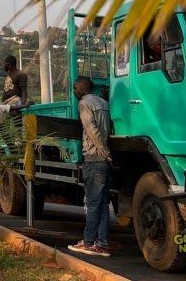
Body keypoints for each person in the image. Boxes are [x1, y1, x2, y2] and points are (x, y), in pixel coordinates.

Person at [68, 76, 112, 257]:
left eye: (75, 88)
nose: (74, 91)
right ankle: (101, 244)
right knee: (102, 204)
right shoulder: (104, 103)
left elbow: (91, 129)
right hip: (104, 162)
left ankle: (87, 243)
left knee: (92, 203)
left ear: (84, 87)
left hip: (94, 158)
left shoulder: (84, 103)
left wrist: (103, 150)